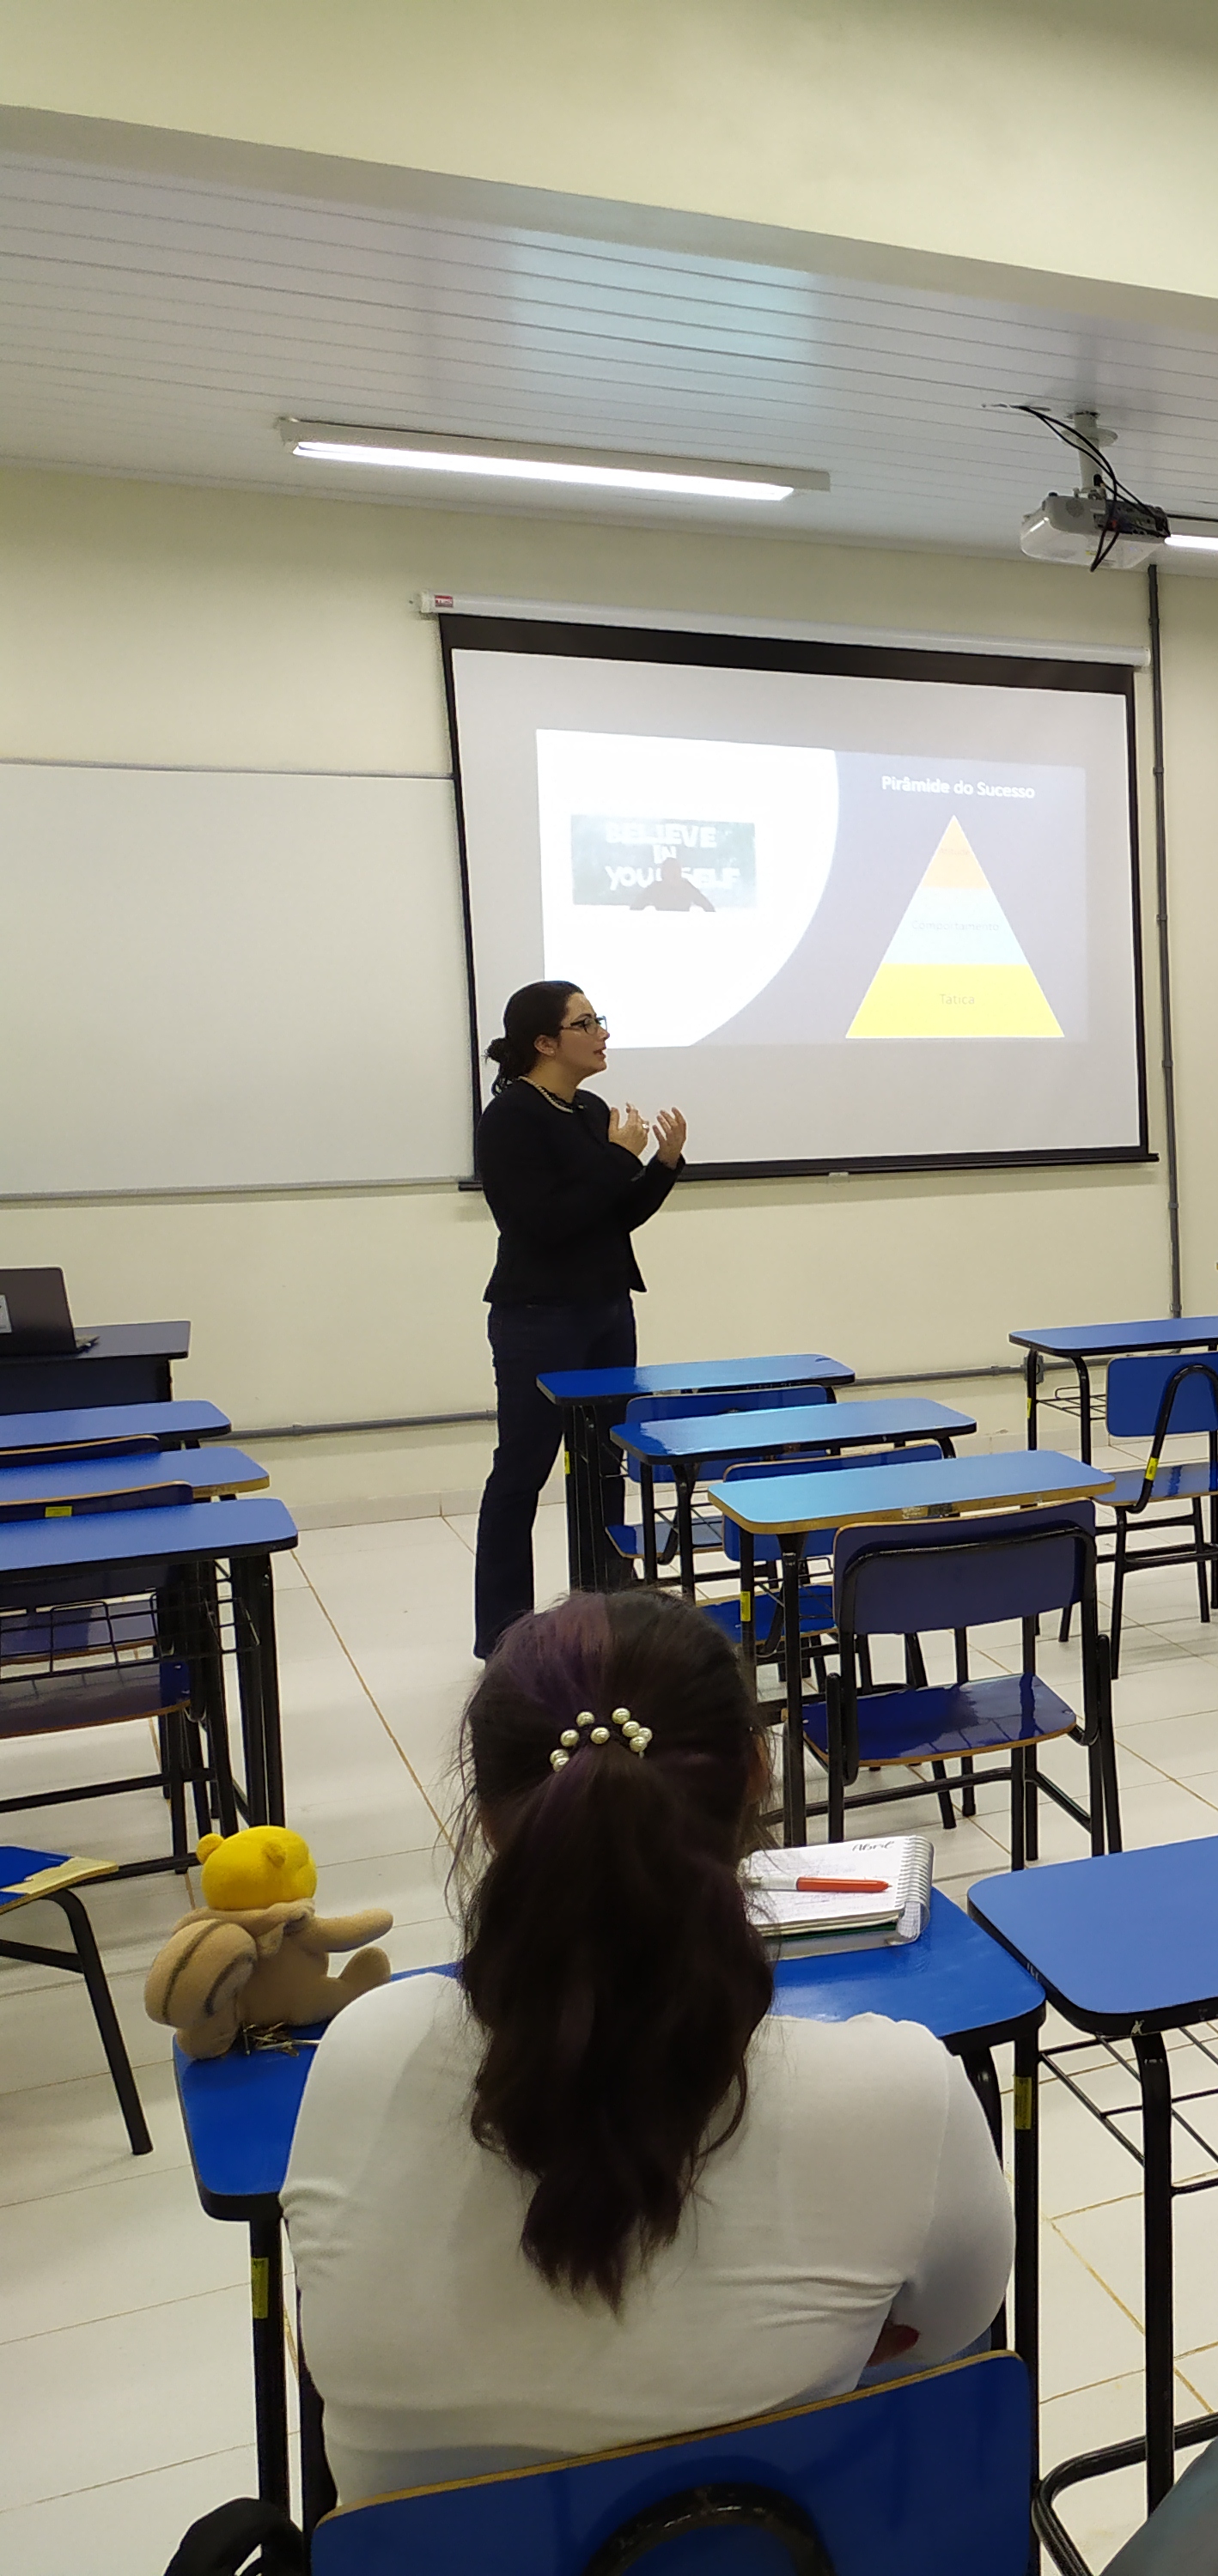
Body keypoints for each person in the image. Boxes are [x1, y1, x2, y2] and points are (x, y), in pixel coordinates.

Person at [281, 1589, 1010, 2503]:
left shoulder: (361, 2056)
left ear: (491, 1817)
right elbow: (952, 2328)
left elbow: (325, 2336)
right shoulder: (903, 2097)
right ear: (758, 1771)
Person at [472, 981, 687, 1657]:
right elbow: (542, 1223)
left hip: (607, 1307)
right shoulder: (511, 1118)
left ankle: (603, 1611)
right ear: (545, 1042)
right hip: (539, 1317)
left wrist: (662, 1166)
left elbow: (613, 1215)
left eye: (600, 1020)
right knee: (523, 1470)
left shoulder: (591, 1110)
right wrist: (620, 1157)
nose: (602, 1034)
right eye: (586, 1023)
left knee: (603, 1465)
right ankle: (502, 1634)